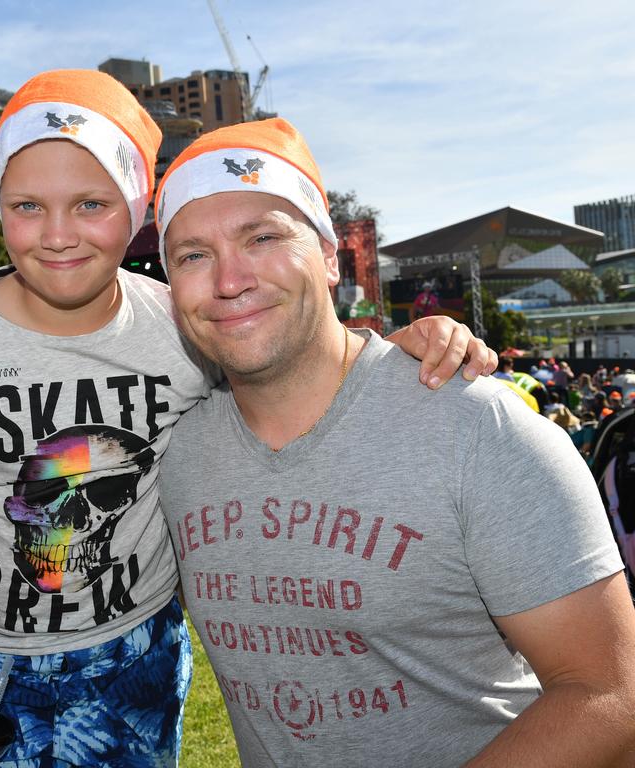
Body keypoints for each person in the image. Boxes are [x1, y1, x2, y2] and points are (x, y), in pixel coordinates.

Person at [0, 70, 496, 768]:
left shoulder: (183, 320)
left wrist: (419, 339)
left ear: (136, 209)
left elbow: (305, 365)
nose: (59, 234)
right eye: (27, 206)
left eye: (92, 204)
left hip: (141, 650)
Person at [154, 117, 635, 766]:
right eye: (192, 255)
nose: (229, 278)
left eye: (263, 237)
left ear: (330, 257)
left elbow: (611, 695)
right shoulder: (176, 452)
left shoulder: (475, 428)